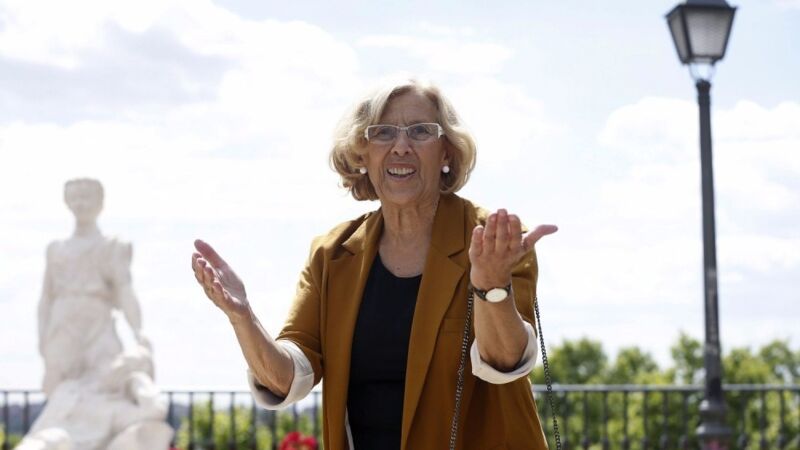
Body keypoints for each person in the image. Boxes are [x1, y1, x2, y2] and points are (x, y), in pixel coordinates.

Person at [192, 79, 557, 450]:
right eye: (382, 133)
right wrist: (243, 317)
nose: (401, 146)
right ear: (361, 155)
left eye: (420, 131)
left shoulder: (494, 241)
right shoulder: (332, 255)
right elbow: (287, 378)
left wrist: (492, 286)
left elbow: (505, 362)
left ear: (446, 152)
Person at [21, 178, 172, 450]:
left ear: (100, 202)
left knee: (109, 380)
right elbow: (46, 297)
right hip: (62, 324)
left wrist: (138, 331)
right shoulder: (56, 249)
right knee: (64, 395)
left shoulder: (112, 245)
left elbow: (125, 289)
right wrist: (42, 337)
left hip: (98, 320)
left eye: (87, 197)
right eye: (75, 197)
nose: (81, 203)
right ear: (67, 202)